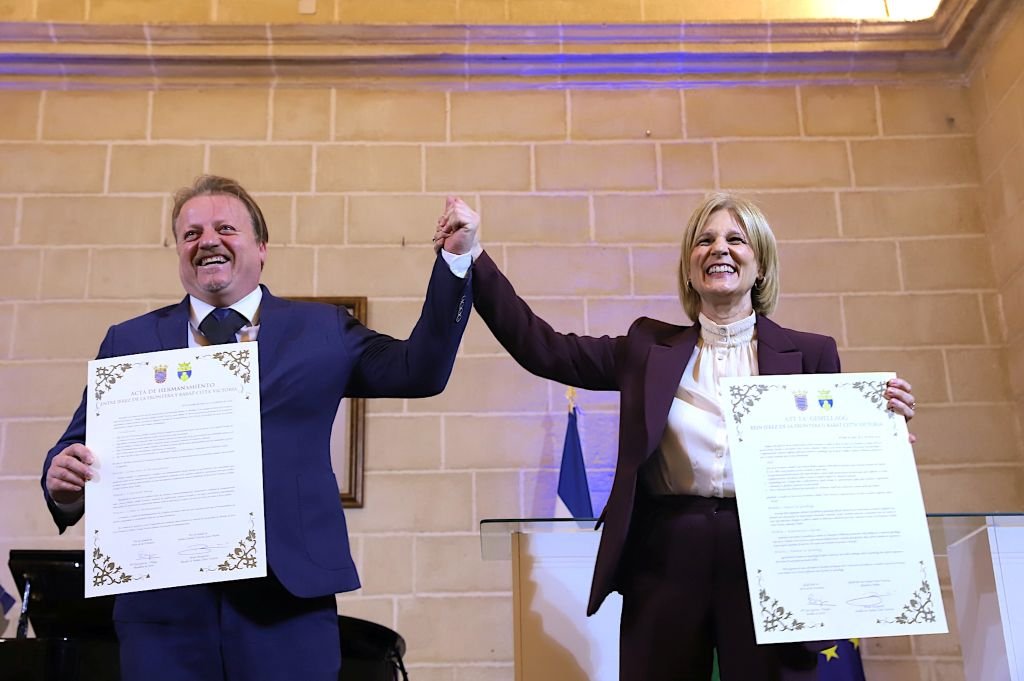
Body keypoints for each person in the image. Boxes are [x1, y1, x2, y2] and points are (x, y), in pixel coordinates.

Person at [433, 193, 917, 681]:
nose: (718, 249)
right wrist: (472, 254)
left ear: (761, 263)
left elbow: (833, 467)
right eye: (703, 241)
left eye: (735, 239)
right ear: (689, 269)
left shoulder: (812, 354)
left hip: (771, 558)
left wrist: (883, 446)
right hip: (665, 555)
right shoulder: (647, 348)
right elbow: (545, 349)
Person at [41, 175, 475, 681]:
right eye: (191, 233)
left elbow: (418, 371)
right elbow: (75, 452)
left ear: (262, 248)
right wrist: (63, 481)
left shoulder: (322, 330)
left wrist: (455, 262)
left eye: (226, 227)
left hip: (286, 606)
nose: (207, 240)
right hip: (162, 613)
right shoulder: (129, 340)